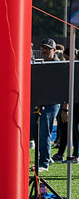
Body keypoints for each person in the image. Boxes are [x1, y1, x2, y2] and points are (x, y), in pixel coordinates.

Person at [33, 38, 61, 172]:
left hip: (52, 103)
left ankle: (44, 162)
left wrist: (66, 109)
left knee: (44, 132)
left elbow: (64, 87)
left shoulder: (59, 65)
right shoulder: (40, 63)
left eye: (47, 49)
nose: (44, 51)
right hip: (39, 102)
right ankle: (45, 158)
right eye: (43, 48)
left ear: (54, 50)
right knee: (35, 132)